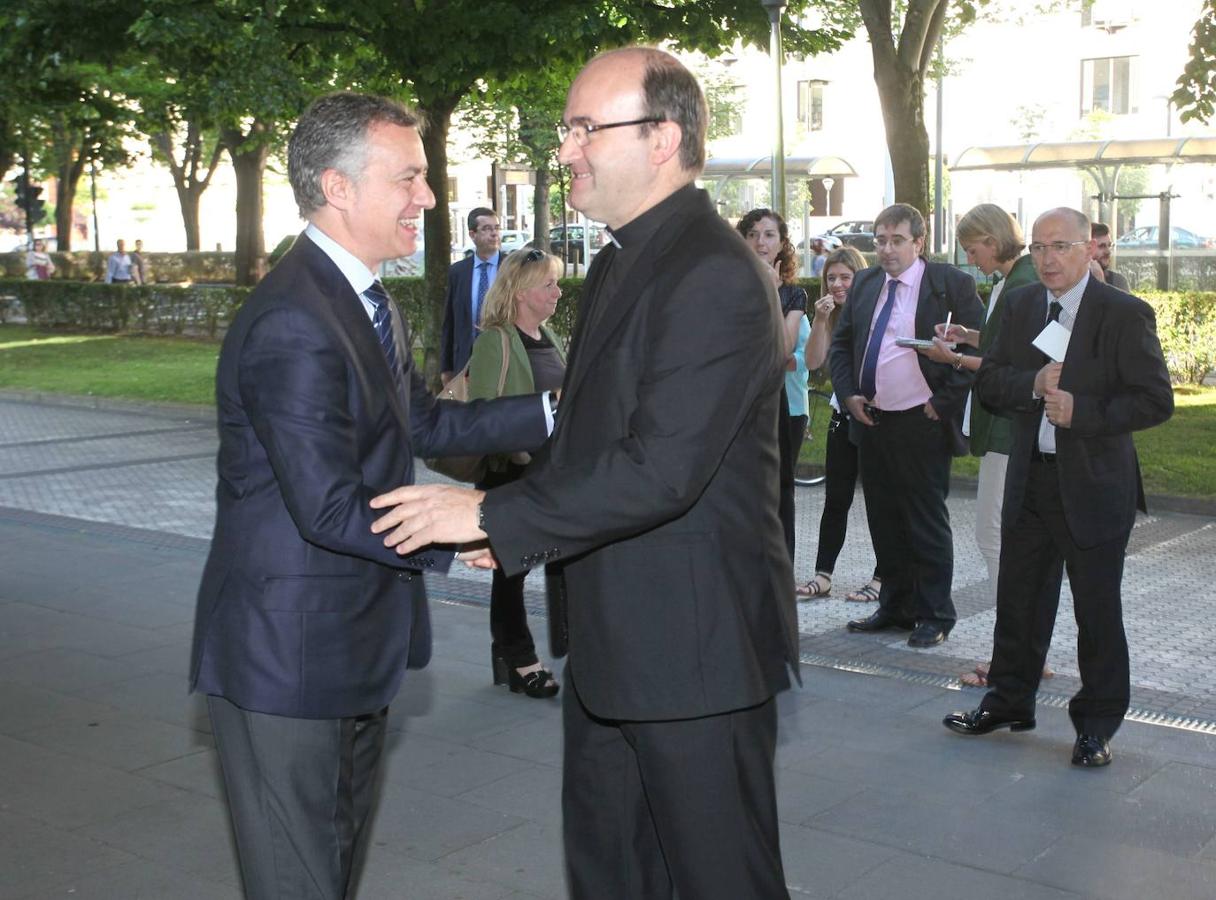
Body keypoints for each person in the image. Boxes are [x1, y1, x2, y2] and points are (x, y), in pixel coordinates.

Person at [368, 47, 799, 899]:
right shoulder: (617, 262)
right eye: (568, 130)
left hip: (693, 660)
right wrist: (519, 517)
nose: (566, 150)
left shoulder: (713, 272)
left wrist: (493, 513)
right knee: (610, 874)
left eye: (583, 129)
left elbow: (662, 467)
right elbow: (592, 434)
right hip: (616, 649)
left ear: (662, 138)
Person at [189, 92, 554, 900]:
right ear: (339, 187)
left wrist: (562, 408)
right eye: (410, 178)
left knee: (331, 872)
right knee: (300, 882)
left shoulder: (365, 299)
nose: (428, 199)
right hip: (288, 658)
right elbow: (325, 506)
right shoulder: (294, 317)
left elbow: (421, 424)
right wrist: (464, 530)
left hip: (348, 647)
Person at [943, 207, 1173, 769]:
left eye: (1060, 246)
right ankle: (1007, 703)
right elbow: (993, 379)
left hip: (1095, 487)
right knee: (1018, 603)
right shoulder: (1022, 306)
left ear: (1088, 250)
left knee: (1097, 612)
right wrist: (1033, 384)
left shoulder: (1123, 313)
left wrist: (1083, 411)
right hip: (1032, 481)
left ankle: (1095, 725)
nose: (1047, 258)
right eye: (1040, 247)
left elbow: (1156, 399)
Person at [829, 203, 984, 648]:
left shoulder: (948, 284)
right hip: (872, 418)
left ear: (919, 243)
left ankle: (935, 613)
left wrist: (945, 401)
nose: (886, 249)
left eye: (897, 240)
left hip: (922, 419)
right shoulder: (866, 284)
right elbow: (843, 345)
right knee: (883, 516)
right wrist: (848, 394)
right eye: (880, 240)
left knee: (925, 519)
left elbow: (980, 346)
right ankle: (895, 604)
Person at [921, 204, 1049, 686]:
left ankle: (1014, 656)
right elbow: (1001, 347)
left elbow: (1008, 365)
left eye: (972, 248)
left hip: (1010, 430)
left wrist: (954, 358)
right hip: (1010, 428)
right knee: (1005, 540)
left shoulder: (1021, 282)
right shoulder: (1013, 281)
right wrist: (968, 337)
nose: (970, 259)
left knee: (995, 539)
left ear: (993, 241)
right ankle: (1023, 653)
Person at [467, 248, 566, 699]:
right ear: (523, 292)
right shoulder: (497, 340)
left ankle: (570, 647)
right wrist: (522, 454)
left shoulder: (549, 335)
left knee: (565, 562)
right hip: (511, 475)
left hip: (552, 474)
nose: (557, 292)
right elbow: (483, 414)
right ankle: (518, 654)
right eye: (549, 284)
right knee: (511, 571)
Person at [796, 245, 882, 602]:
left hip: (875, 416)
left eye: (845, 277)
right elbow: (813, 362)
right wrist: (818, 320)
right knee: (836, 498)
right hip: (841, 416)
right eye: (831, 277)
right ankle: (823, 574)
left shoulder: (874, 312)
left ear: (859, 277)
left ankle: (882, 578)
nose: (837, 284)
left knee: (879, 500)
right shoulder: (829, 316)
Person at [738, 207, 806, 565]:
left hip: (771, 398)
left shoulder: (793, 295)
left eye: (768, 235)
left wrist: (771, 292)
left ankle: (781, 567)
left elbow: (782, 350)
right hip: (731, 400)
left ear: (782, 245)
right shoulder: (726, 287)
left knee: (779, 487)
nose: (760, 242)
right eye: (752, 234)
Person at [441, 207, 506, 381]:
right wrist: (446, 367)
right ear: (472, 234)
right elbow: (450, 321)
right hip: (466, 362)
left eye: (496, 228)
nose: (494, 234)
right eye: (486, 229)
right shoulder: (458, 272)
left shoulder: (513, 268)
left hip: (505, 359)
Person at [1089, 222, 1129, 291]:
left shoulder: (1118, 281)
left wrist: (1101, 282)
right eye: (1101, 246)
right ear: (1088, 248)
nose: (1108, 252)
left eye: (1109, 245)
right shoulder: (1073, 280)